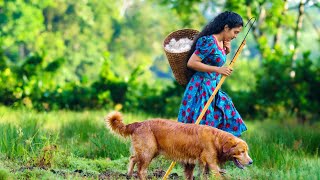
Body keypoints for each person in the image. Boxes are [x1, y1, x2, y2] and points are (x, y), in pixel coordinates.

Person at [177, 11, 247, 137]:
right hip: (201, 87)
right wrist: (218, 70)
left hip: (213, 87)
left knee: (228, 114)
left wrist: (227, 50)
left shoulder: (222, 42)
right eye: (235, 32)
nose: (236, 36)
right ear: (226, 27)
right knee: (198, 126)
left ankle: (227, 150)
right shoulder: (209, 41)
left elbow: (213, 58)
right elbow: (192, 63)